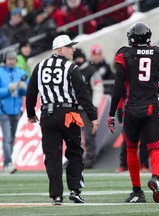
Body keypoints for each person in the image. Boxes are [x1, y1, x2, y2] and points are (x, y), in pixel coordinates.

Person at [25, 34, 98, 205]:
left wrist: (30, 113)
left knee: (52, 156)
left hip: (47, 115)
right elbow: (82, 93)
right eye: (69, 46)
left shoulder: (40, 66)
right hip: (68, 114)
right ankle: (75, 190)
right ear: (59, 49)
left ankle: (56, 195)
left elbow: (31, 92)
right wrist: (92, 115)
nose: (73, 49)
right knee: (74, 152)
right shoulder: (71, 68)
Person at [107, 22, 159, 203]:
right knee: (155, 148)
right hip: (151, 107)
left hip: (132, 108)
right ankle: (155, 177)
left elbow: (118, 86)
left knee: (131, 149)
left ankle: (137, 192)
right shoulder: (158, 53)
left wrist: (111, 113)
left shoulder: (124, 54)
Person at [72, 48, 104, 169]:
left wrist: (94, 106)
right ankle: (75, 159)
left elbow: (98, 88)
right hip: (74, 107)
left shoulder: (91, 70)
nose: (78, 60)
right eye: (76, 59)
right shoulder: (72, 70)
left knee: (89, 135)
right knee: (73, 136)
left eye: (80, 58)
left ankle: (90, 159)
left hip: (87, 108)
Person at [0, 49, 28, 174]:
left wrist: (24, 88)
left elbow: (27, 91)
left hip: (16, 109)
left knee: (11, 137)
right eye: (9, 59)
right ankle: (8, 162)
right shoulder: (0, 72)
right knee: (7, 137)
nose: (11, 61)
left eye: (13, 59)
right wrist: (8, 89)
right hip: (3, 109)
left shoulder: (20, 72)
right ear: (5, 60)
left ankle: (7, 163)